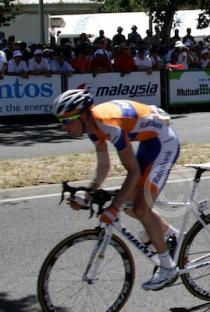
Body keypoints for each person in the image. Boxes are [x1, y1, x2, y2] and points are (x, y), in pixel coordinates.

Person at [53, 90, 181, 290]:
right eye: (61, 121)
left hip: (164, 143)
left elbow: (133, 173)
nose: (64, 126)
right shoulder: (92, 128)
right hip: (149, 142)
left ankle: (168, 267)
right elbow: (104, 167)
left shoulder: (108, 125)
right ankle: (170, 236)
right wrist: (87, 195)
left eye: (68, 121)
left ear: (84, 116)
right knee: (130, 206)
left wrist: (113, 207)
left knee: (141, 209)